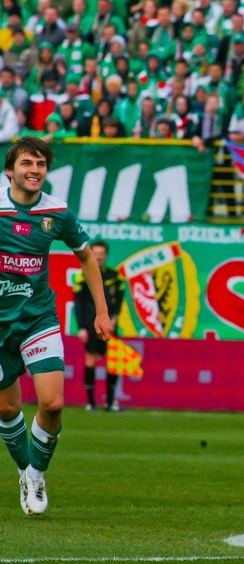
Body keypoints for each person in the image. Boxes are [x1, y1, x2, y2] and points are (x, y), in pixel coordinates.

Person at [0, 137, 112, 515]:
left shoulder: (57, 212)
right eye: (27, 163)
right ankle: (23, 469)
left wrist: (100, 311)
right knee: (6, 409)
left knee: (53, 403)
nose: (34, 170)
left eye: (41, 164)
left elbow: (87, 259)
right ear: (10, 170)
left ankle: (36, 474)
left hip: (37, 318)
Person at [73, 240, 124, 412]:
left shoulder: (115, 275)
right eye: (96, 253)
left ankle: (110, 401)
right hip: (90, 324)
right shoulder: (82, 275)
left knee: (113, 361)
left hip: (110, 324)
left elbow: (120, 300)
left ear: (106, 255)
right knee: (91, 359)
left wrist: (115, 317)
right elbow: (78, 304)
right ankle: (90, 402)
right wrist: (81, 327)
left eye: (102, 253)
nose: (99, 256)